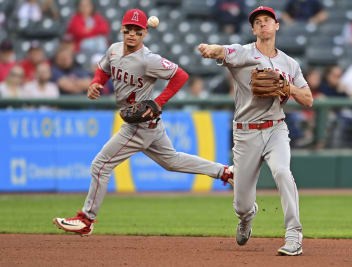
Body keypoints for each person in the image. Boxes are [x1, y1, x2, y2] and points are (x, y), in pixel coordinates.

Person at [53, 8, 233, 236]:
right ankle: (225, 172)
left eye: (137, 31)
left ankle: (86, 219)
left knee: (101, 165)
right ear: (122, 29)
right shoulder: (114, 50)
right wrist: (95, 83)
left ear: (144, 34)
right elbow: (102, 69)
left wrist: (158, 102)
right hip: (148, 125)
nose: (132, 35)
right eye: (128, 30)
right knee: (171, 160)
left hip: (140, 124)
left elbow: (181, 76)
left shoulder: (149, 60)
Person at [198, 6, 313, 256]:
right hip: (246, 133)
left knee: (283, 172)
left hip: (276, 128)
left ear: (276, 26)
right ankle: (247, 216)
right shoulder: (243, 53)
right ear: (253, 29)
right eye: (258, 22)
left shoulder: (289, 64)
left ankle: (294, 235)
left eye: (267, 20)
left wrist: (287, 87)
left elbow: (308, 99)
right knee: (241, 204)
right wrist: (211, 49)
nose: (263, 24)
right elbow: (223, 51)